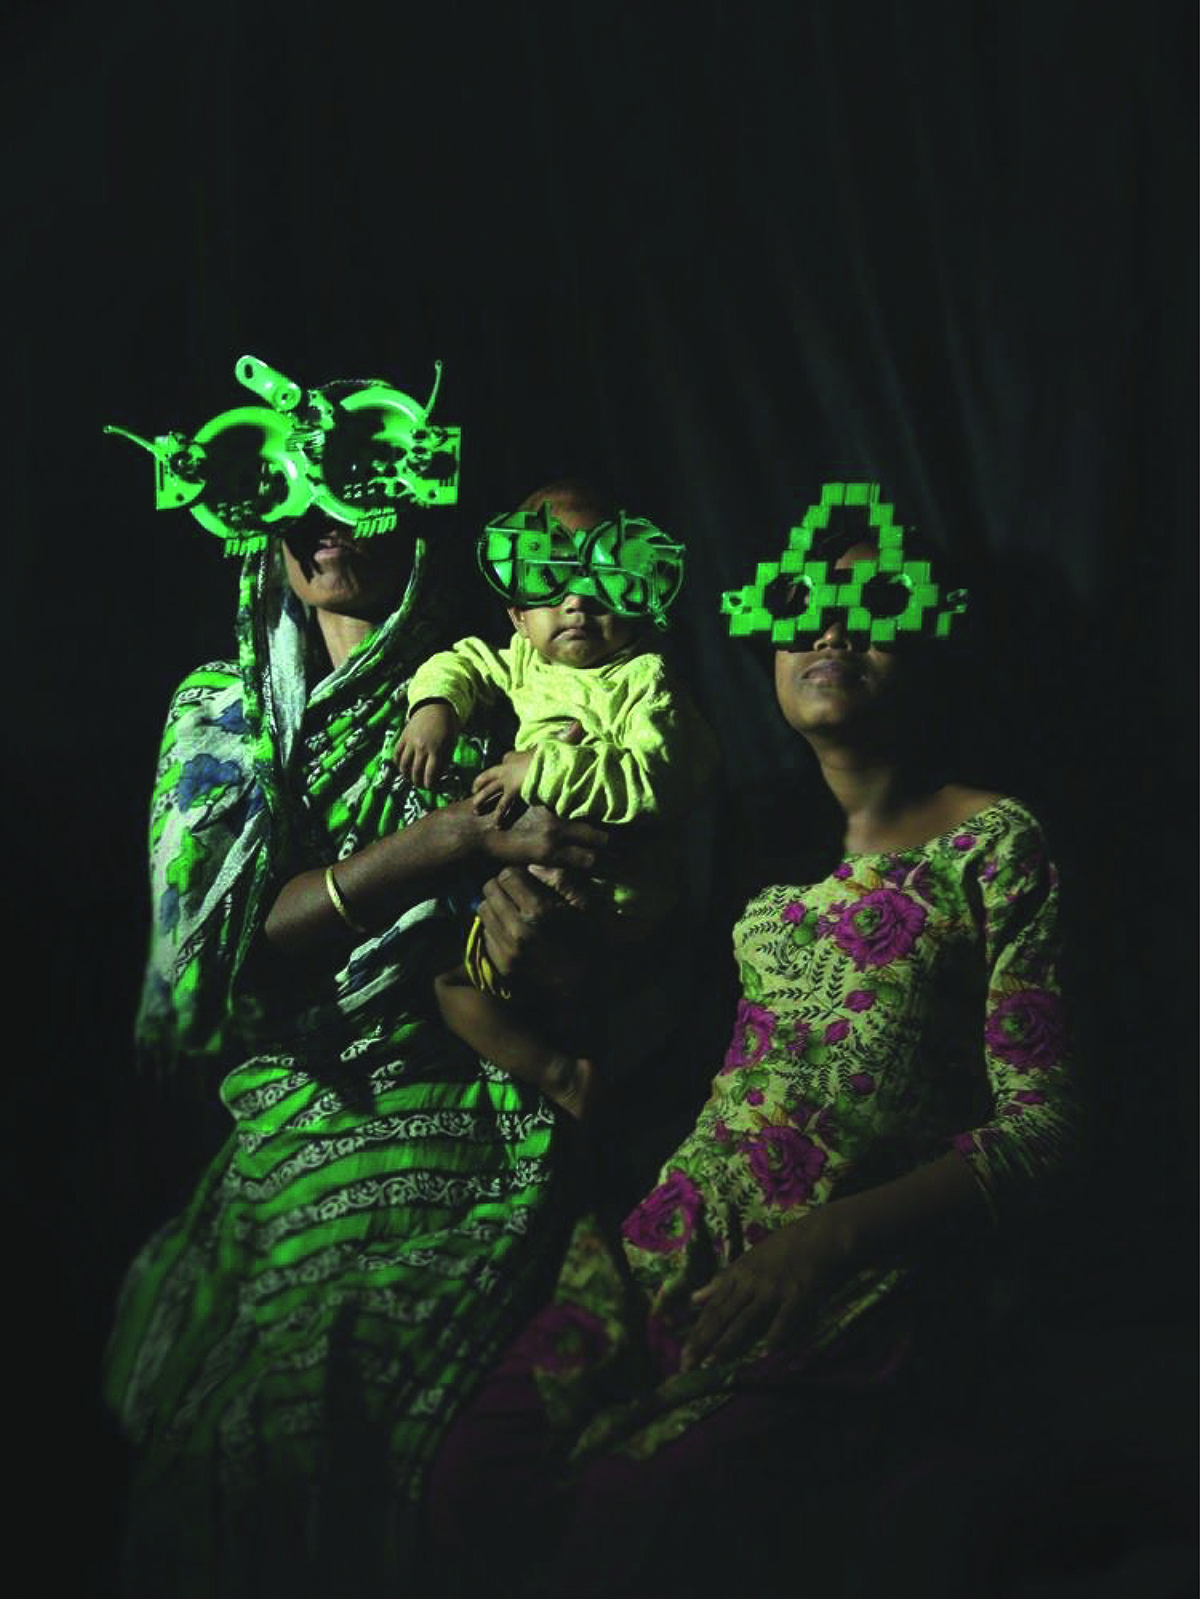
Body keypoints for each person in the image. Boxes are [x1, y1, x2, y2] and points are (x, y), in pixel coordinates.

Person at [426, 488, 1077, 1596]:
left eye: (870, 602)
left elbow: (1046, 1128)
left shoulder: (996, 844)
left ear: (931, 625)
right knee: (470, 1474)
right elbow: (656, 1044)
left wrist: (824, 1244)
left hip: (859, 1287)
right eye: (795, 605)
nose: (827, 629)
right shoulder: (745, 838)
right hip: (670, 1249)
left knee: (635, 1514)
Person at [103, 367, 608, 1598]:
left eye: (356, 483)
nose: (324, 517)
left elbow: (595, 912)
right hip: (294, 1102)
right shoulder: (225, 714)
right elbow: (215, 965)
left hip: (471, 1097)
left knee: (378, 1388)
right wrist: (441, 844)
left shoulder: (506, 687)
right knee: (238, 1419)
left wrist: (551, 944)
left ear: (415, 504)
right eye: (292, 489)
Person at [394, 479, 718, 1121]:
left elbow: (661, 778)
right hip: (528, 889)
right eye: (550, 577)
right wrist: (433, 709)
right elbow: (462, 663)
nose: (576, 600)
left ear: (641, 596)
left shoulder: (643, 677)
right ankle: (563, 1078)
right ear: (517, 615)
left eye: (602, 577)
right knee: (451, 989)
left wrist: (540, 770)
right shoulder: (521, 662)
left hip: (618, 906)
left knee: (613, 1017)